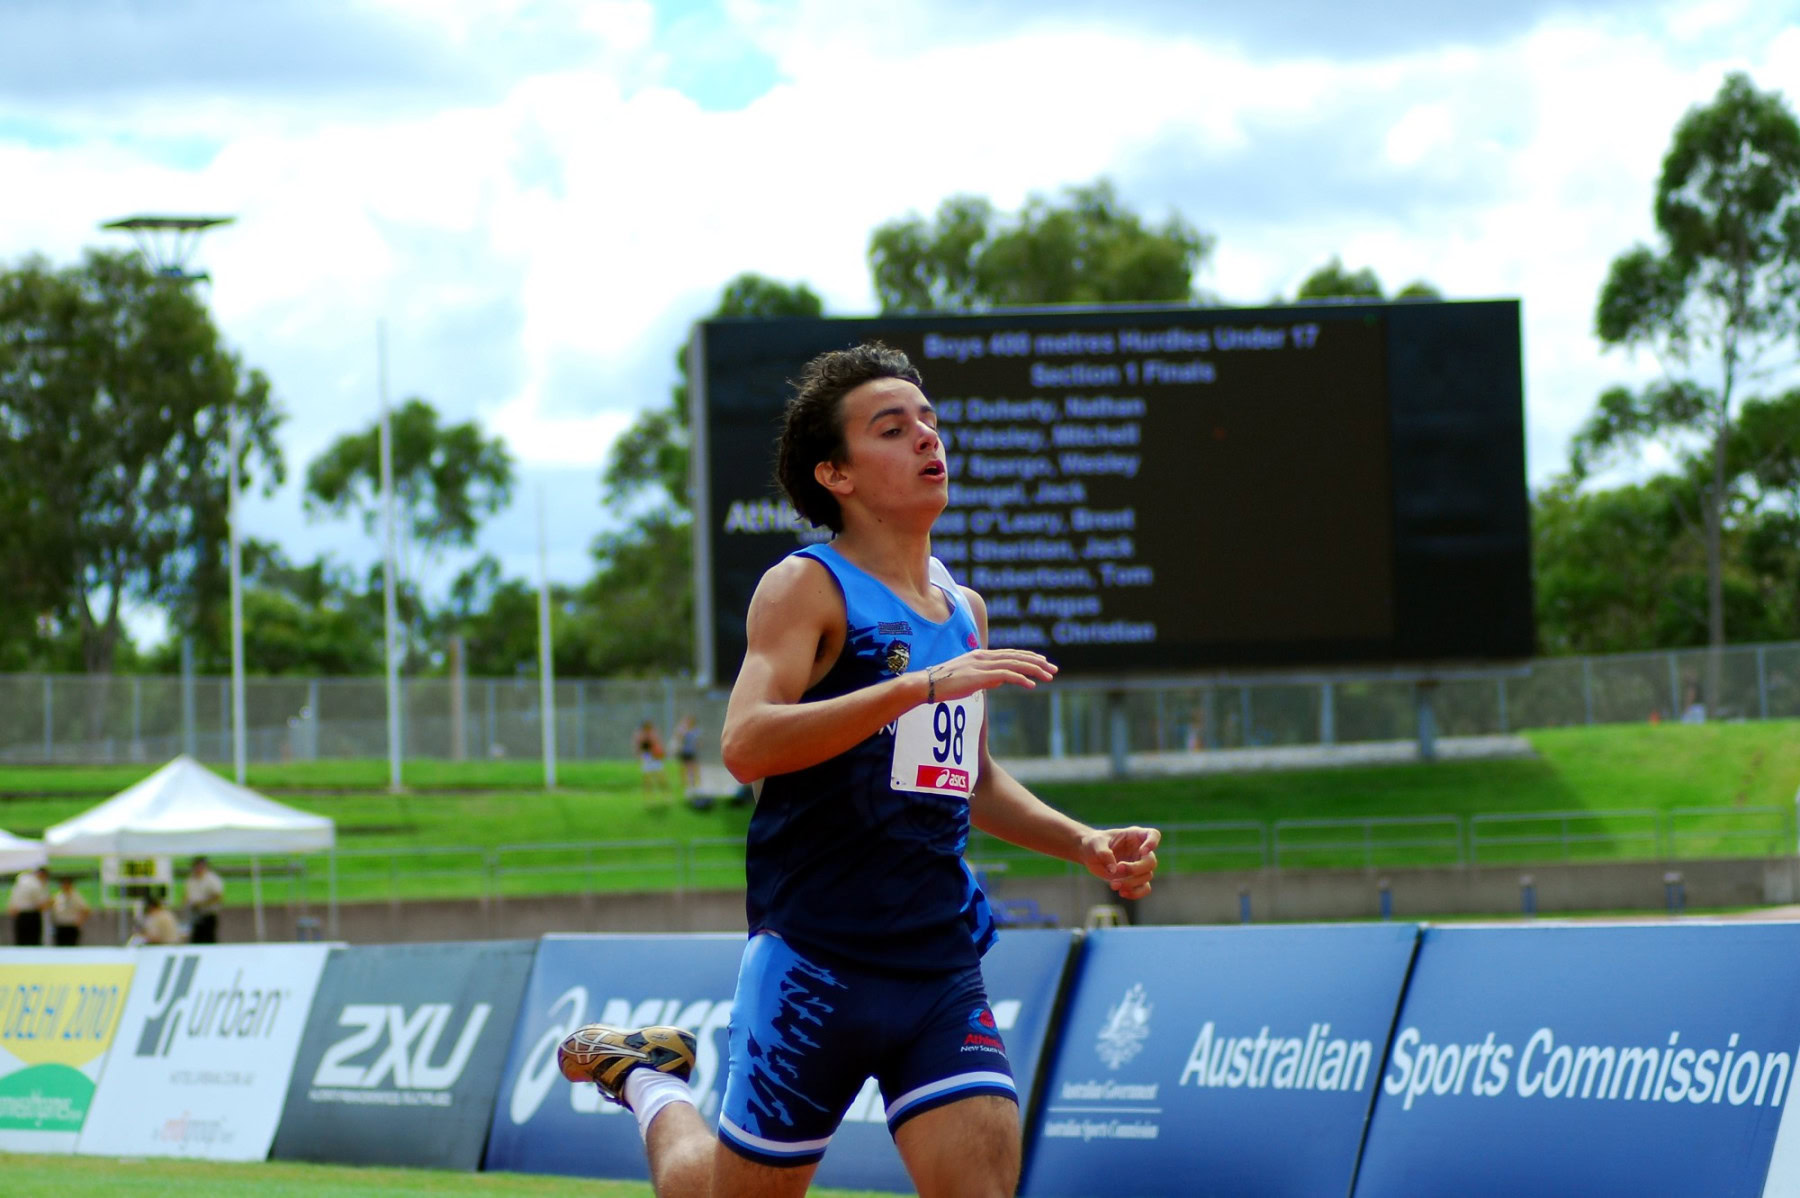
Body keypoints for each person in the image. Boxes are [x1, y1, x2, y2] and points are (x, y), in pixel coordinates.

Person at [556, 342, 1160, 1198]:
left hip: (939, 964)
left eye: (929, 422)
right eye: (892, 427)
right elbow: (748, 742)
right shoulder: (807, 588)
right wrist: (914, 685)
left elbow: (974, 782)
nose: (926, 439)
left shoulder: (965, 611)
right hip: (814, 963)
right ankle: (647, 1081)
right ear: (834, 473)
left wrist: (1086, 842)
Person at [7, 866, 50, 947]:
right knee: (33, 942)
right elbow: (41, 905)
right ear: (42, 875)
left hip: (20, 915)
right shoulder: (37, 884)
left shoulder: (22, 881)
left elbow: (13, 900)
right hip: (31, 916)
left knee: (21, 941)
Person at [184, 856, 224, 944]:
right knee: (195, 940)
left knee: (208, 939)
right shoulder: (191, 879)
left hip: (208, 915)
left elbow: (217, 896)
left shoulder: (211, 879)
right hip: (195, 915)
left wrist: (202, 904)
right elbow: (187, 895)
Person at [50, 875, 90, 947]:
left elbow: (85, 909)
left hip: (71, 926)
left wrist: (80, 921)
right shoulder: (58, 896)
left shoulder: (76, 896)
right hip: (60, 925)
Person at [634, 719, 668, 797]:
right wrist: (639, 756)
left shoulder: (654, 734)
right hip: (646, 755)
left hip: (655, 755)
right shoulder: (640, 735)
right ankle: (648, 795)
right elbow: (639, 747)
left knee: (660, 774)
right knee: (647, 775)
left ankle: (664, 793)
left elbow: (658, 745)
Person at [674, 715, 701, 792]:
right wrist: (683, 730)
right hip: (684, 751)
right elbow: (678, 738)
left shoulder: (695, 730)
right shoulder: (682, 730)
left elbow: (698, 742)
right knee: (683, 768)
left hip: (692, 752)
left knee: (693, 768)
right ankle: (683, 785)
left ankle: (694, 784)